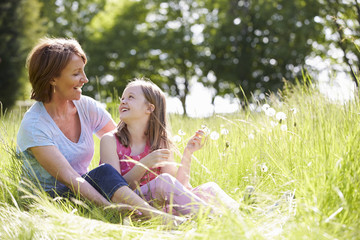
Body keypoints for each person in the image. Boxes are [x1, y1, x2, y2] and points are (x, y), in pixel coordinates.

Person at [16, 37, 183, 224]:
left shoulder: (86, 107)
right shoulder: (35, 125)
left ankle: (168, 214)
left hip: (86, 190)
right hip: (48, 200)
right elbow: (70, 178)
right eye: (76, 73)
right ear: (52, 78)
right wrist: (109, 207)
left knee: (107, 173)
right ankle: (161, 219)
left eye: (83, 71)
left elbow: (123, 140)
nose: (85, 79)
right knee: (104, 172)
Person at [100, 78, 240, 216]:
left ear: (149, 108)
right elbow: (114, 188)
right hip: (132, 207)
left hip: (161, 208)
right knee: (163, 181)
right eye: (123, 98)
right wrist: (144, 164)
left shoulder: (160, 142)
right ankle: (216, 218)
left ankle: (240, 212)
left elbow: (178, 188)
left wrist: (188, 154)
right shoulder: (110, 141)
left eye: (131, 97)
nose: (123, 101)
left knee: (209, 188)